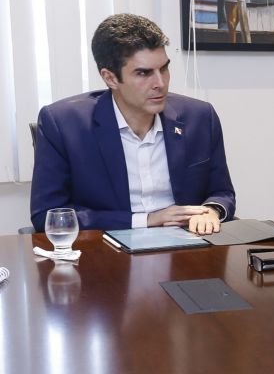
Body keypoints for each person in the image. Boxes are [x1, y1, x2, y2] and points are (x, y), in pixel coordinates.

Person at [30, 14, 236, 235]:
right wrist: (146, 220)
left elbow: (222, 192)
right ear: (110, 78)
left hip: (188, 247)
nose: (160, 83)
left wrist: (211, 211)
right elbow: (48, 215)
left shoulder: (199, 116)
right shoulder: (63, 124)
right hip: (107, 250)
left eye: (164, 69)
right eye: (144, 73)